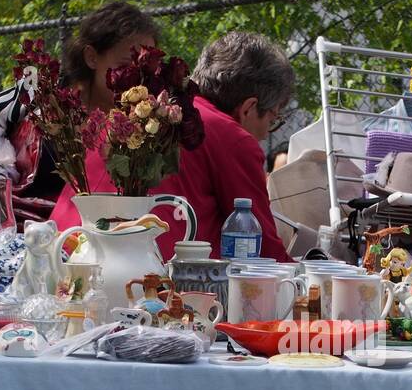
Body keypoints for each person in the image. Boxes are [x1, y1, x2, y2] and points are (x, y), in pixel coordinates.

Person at [51, 31, 296, 261]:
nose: (265, 135)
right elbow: (263, 251)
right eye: (273, 119)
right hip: (144, 278)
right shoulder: (233, 138)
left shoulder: (138, 111)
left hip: (60, 250)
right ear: (249, 107)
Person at [0, 1, 159, 220]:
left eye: (145, 70)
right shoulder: (36, 96)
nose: (136, 80)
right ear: (91, 57)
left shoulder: (147, 129)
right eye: (124, 67)